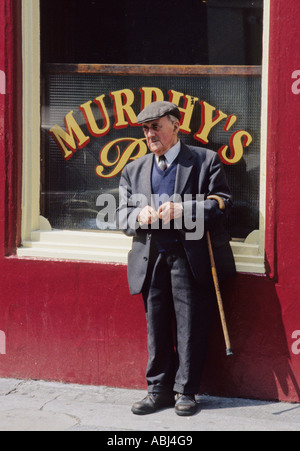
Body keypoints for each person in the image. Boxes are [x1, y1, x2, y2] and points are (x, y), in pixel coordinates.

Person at [116, 101, 235, 416]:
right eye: (145, 128)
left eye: (156, 126)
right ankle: (158, 392)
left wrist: (186, 210)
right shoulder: (135, 169)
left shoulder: (203, 160)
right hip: (150, 257)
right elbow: (120, 214)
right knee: (156, 325)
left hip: (189, 256)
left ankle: (187, 392)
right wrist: (137, 214)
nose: (150, 134)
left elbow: (222, 202)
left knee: (190, 325)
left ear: (175, 126)